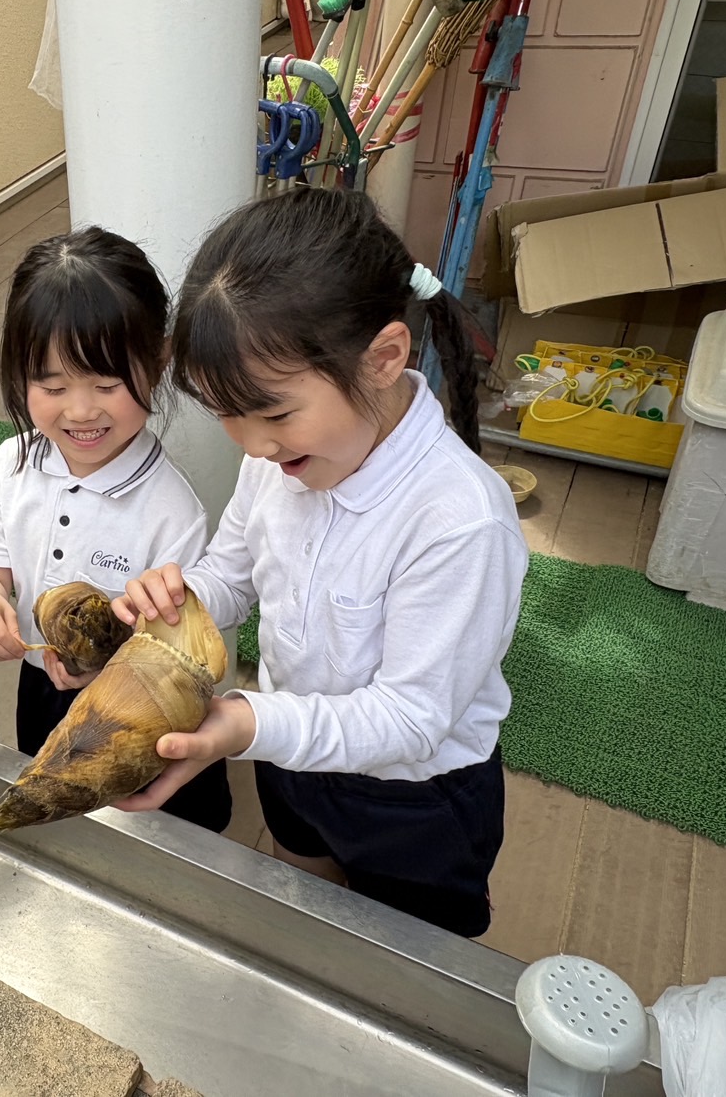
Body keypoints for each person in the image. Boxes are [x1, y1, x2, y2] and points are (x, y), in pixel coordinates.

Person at [114, 188, 527, 937]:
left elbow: (410, 719)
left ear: (384, 358)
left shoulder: (459, 521)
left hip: (412, 797)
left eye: (273, 412)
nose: (252, 444)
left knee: (404, 956)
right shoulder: (276, 460)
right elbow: (231, 573)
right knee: (302, 901)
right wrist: (176, 598)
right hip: (287, 751)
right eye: (226, 414)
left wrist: (245, 723)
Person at [0, 227, 232, 832]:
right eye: (52, 387)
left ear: (158, 362)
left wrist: (105, 669)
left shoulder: (171, 511)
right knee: (61, 818)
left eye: (106, 385)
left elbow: (179, 654)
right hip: (42, 691)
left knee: (157, 831)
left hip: (141, 716)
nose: (80, 411)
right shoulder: (9, 467)